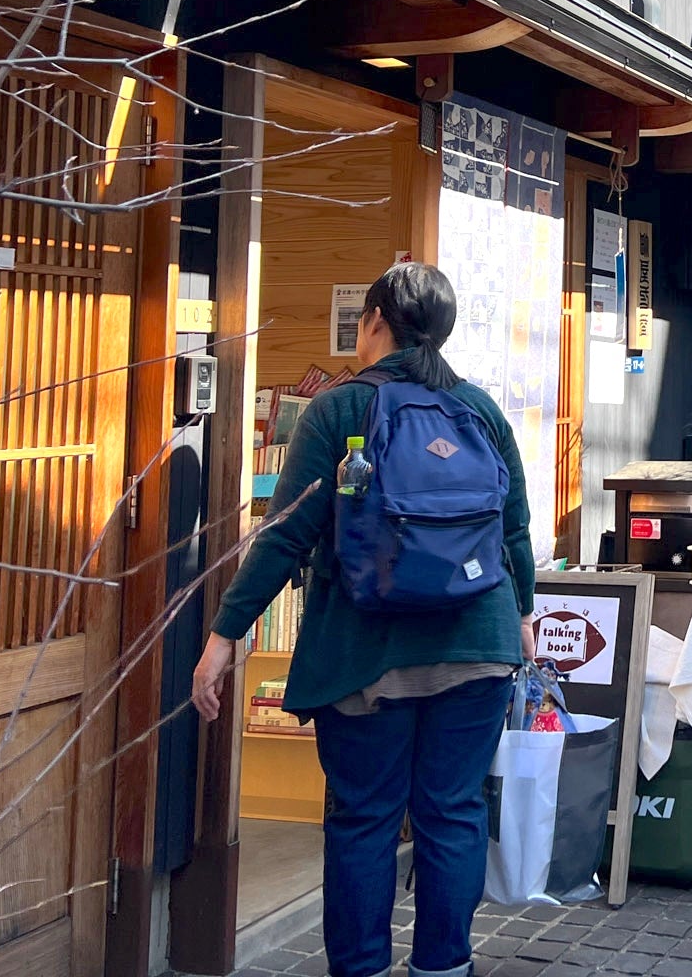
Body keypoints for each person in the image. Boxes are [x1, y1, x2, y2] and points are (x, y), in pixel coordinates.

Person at [192, 264, 535, 977]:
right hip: (478, 646)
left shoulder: (340, 412)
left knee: (365, 819)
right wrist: (523, 616)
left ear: (374, 320)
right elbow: (515, 531)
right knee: (453, 813)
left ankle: (362, 968)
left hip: (365, 654)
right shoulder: (480, 410)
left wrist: (225, 634)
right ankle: (445, 967)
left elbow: (287, 533)